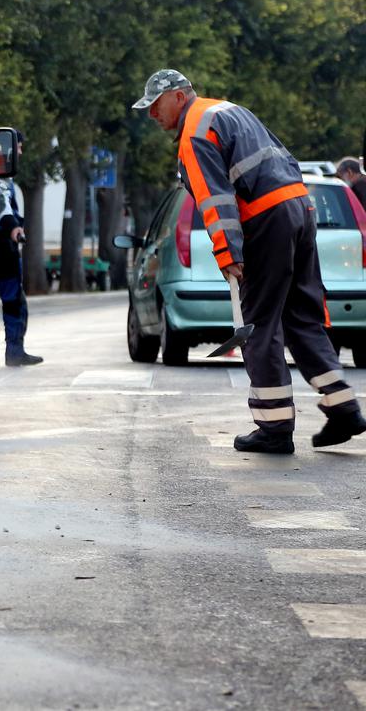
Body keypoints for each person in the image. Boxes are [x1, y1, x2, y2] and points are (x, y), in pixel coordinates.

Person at [134, 69, 366, 453]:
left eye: (155, 105)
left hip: (265, 219)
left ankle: (274, 427)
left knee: (257, 324)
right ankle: (343, 407)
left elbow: (215, 198)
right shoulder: (230, 110)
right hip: (299, 209)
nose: (152, 114)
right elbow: (284, 158)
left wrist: (228, 252)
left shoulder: (194, 133)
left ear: (178, 96)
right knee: (301, 317)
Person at [0, 164, 43, 367]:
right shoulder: (0, 175)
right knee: (14, 302)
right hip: (2, 246)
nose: (20, 152)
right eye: (19, 149)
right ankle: (15, 353)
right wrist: (13, 227)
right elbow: (0, 201)